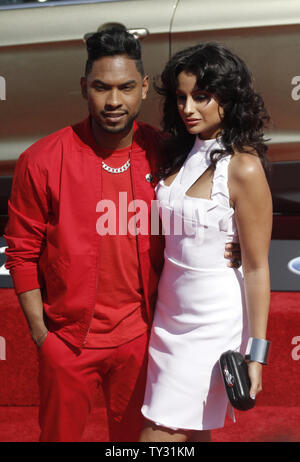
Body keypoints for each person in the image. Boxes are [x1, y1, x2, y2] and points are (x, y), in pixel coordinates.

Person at [4, 28, 241, 442]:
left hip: (143, 339)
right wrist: (44, 337)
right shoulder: (40, 160)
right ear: (84, 88)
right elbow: (21, 253)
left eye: (126, 87)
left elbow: (207, 205)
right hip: (68, 341)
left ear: (145, 88)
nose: (114, 101)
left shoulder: (168, 153)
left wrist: (231, 241)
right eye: (102, 87)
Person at [139, 42, 272, 442]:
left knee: (159, 433)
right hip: (169, 312)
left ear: (227, 100)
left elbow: (257, 266)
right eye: (181, 97)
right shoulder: (181, 153)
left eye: (201, 96)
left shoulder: (244, 167)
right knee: (194, 431)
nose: (188, 108)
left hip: (213, 318)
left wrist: (256, 354)